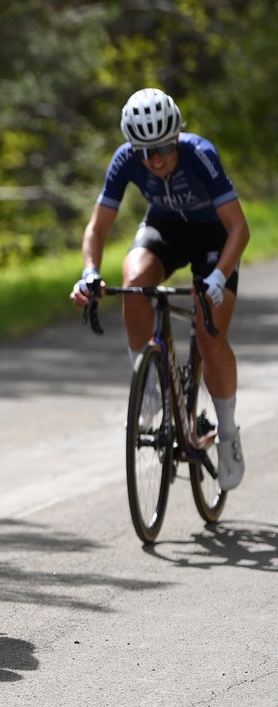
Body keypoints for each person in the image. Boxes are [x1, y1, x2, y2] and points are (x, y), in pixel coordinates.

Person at [70, 88, 249, 491]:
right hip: (166, 229)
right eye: (143, 152)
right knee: (134, 285)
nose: (154, 161)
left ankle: (228, 431)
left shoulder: (200, 154)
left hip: (213, 239)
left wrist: (219, 276)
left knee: (210, 334)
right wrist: (89, 272)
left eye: (162, 149)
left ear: (176, 138)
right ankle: (151, 388)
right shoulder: (125, 160)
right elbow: (97, 227)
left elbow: (239, 228)